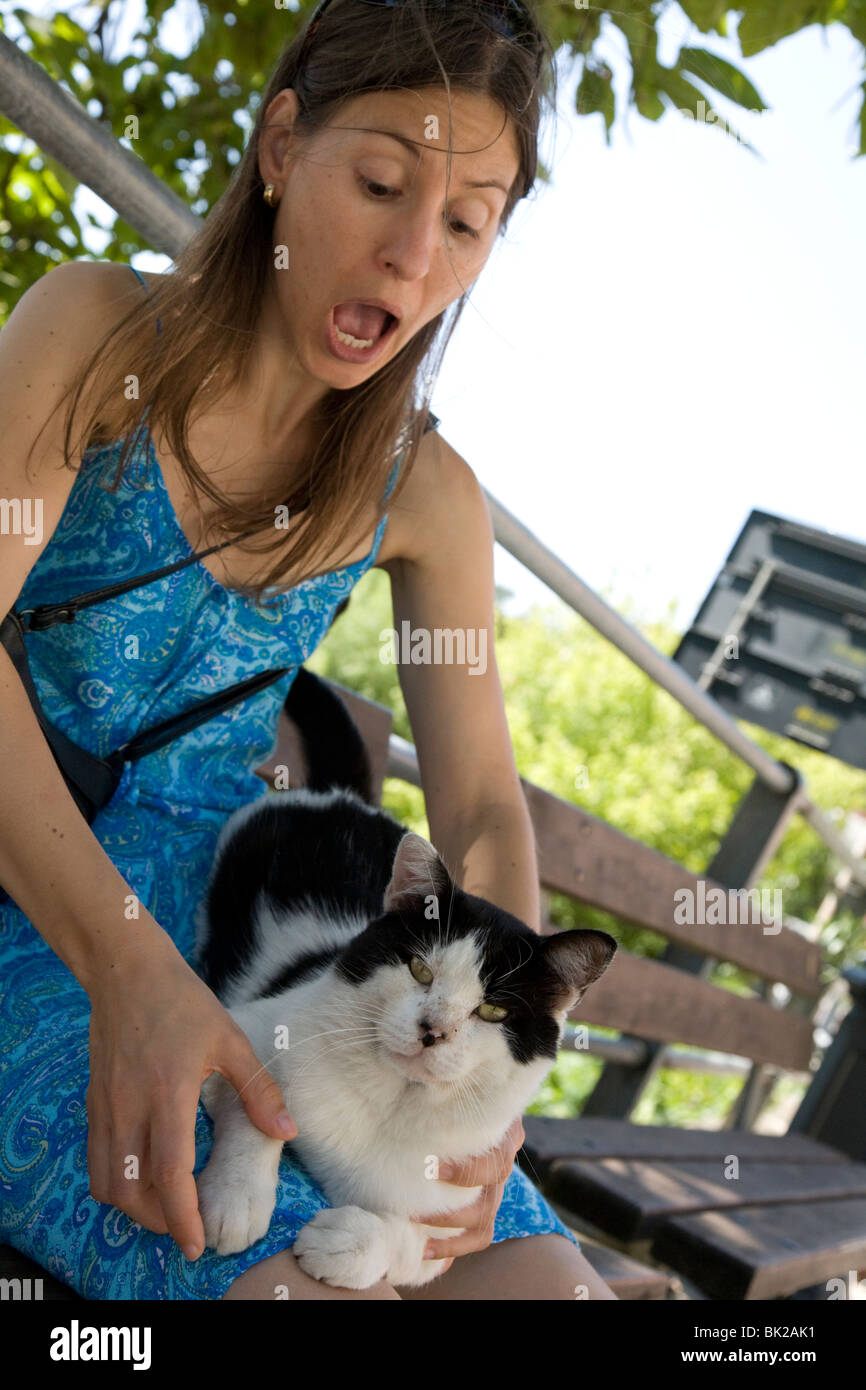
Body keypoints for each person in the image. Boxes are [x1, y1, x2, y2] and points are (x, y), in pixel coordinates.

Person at [0, 0, 616, 1301]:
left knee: (538, 1289)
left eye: (464, 222)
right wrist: (131, 972)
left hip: (243, 912)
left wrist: (502, 1059)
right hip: (37, 897)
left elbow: (481, 807)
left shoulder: (426, 493)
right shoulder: (94, 334)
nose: (409, 258)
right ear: (282, 145)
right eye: (381, 181)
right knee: (297, 1286)